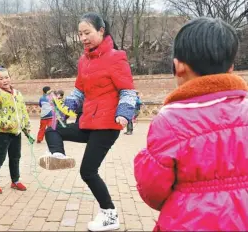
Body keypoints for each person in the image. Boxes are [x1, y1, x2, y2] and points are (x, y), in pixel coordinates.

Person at [134, 17, 248, 231]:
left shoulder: (170, 120)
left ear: (178, 67)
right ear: (231, 67)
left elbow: (152, 189)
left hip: (188, 222)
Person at [40, 12, 137, 231]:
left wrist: (124, 112)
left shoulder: (116, 57)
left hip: (107, 125)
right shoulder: (84, 61)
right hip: (88, 122)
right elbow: (78, 92)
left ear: (101, 31)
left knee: (88, 171)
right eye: (80, 34)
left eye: (87, 33)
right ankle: (58, 156)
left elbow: (128, 91)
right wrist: (65, 109)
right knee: (53, 127)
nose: (83, 38)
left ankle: (110, 215)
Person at [0, 66, 31, 194]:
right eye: (1, 78)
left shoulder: (18, 94)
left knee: (15, 157)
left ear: (10, 78)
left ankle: (15, 181)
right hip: (3, 133)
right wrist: (6, 124)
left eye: (6, 77)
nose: (5, 80)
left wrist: (26, 127)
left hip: (16, 132)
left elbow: (23, 111)